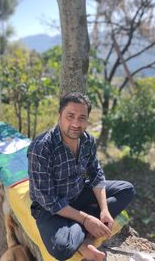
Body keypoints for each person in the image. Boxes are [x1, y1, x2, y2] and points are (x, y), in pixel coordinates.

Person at [28, 92, 135, 261]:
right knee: (62, 248)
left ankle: (86, 230)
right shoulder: (42, 148)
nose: (76, 123)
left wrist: (105, 210)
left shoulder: (87, 140)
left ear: (87, 120)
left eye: (82, 118)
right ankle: (85, 235)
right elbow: (48, 199)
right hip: (50, 208)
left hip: (78, 193)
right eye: (70, 116)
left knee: (126, 189)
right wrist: (86, 219)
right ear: (59, 116)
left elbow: (95, 173)